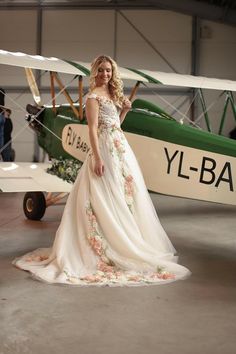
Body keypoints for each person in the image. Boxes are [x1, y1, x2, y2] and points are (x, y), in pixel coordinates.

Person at [13, 55, 190, 286]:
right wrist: (97, 157)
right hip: (104, 149)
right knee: (102, 194)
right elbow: (93, 129)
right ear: (95, 72)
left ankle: (124, 239)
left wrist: (124, 110)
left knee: (122, 193)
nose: (105, 74)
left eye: (108, 70)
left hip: (120, 148)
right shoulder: (93, 97)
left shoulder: (113, 94)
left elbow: (116, 123)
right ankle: (104, 243)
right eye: (101, 70)